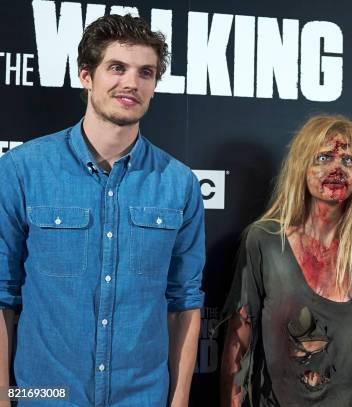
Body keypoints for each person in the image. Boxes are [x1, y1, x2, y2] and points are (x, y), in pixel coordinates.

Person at [0, 14, 205, 406]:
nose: (132, 83)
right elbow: (2, 295)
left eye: (146, 72)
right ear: (86, 76)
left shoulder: (179, 184)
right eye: (117, 68)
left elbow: (184, 304)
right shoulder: (21, 170)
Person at [220, 115, 352, 406]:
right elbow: (237, 344)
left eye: (349, 161)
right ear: (301, 166)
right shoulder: (264, 240)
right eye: (324, 157)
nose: (337, 168)